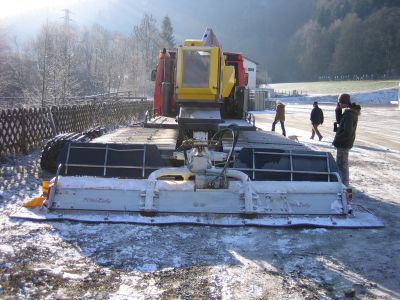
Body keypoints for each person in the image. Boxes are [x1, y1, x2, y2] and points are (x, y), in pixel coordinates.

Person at [333, 93, 361, 186]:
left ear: (344, 102)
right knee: (341, 164)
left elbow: (347, 131)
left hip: (343, 143)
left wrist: (337, 139)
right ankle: (343, 183)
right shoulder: (349, 112)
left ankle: (344, 184)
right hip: (344, 142)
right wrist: (338, 110)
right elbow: (341, 123)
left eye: (340, 102)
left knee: (342, 164)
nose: (339, 104)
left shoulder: (349, 114)